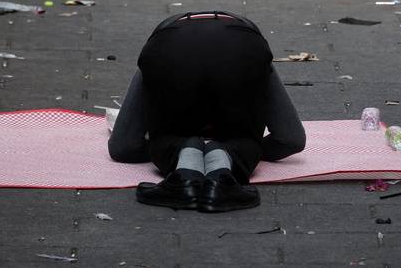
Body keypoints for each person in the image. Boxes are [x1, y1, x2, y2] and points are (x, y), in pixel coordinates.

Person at [108, 11, 306, 212]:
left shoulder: (159, 52)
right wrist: (247, 150)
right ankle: (222, 161)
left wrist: (163, 147)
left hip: (169, 44)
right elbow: (290, 138)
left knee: (166, 139)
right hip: (243, 45)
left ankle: (185, 162)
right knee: (244, 141)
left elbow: (123, 145)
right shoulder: (253, 54)